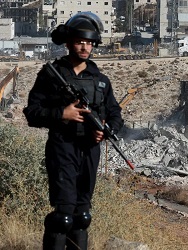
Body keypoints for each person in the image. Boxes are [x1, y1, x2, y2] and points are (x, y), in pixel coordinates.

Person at [23, 12, 123, 250]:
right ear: (68, 43)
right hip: (62, 147)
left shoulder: (101, 80)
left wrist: (106, 130)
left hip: (89, 150)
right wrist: (62, 114)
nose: (85, 47)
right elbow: (32, 113)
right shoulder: (51, 75)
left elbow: (115, 114)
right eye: (80, 41)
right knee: (63, 217)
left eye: (89, 43)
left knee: (82, 216)